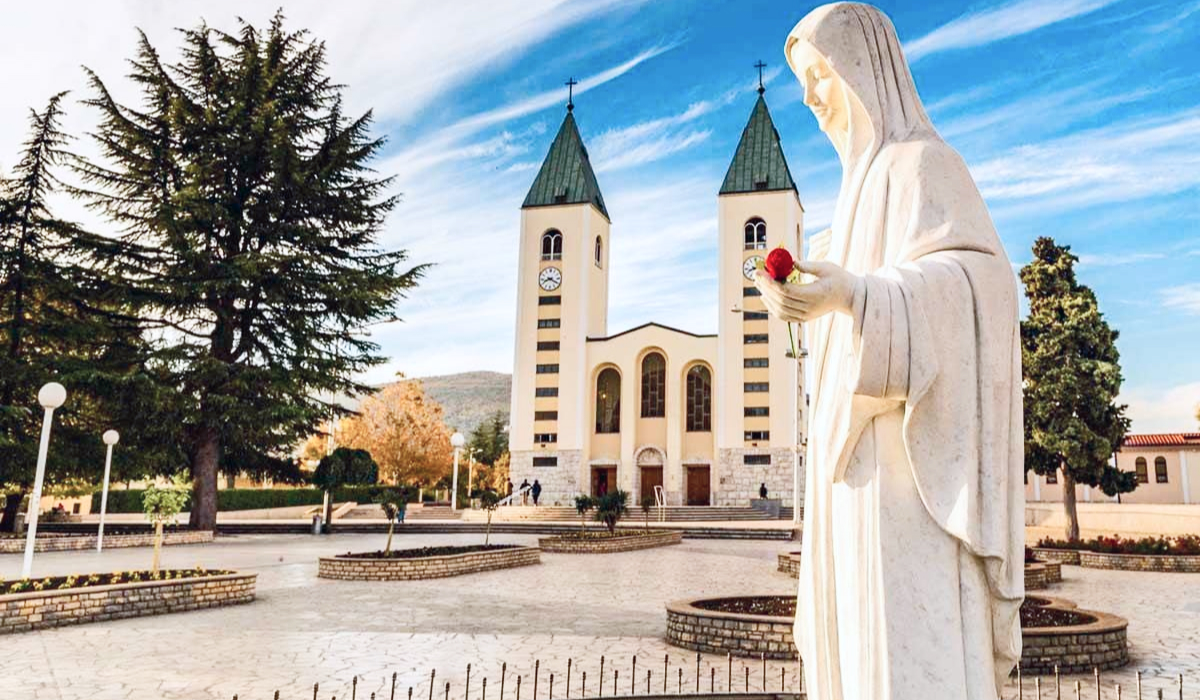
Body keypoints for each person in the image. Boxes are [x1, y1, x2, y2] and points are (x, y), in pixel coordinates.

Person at [759, 5, 1024, 699]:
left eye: (820, 74)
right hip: (849, 474)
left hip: (909, 476)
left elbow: (985, 288)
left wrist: (856, 295)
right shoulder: (849, 198)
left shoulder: (925, 165)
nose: (811, 97)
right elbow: (845, 324)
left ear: (862, 70)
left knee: (904, 652)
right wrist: (812, 302)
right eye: (804, 82)